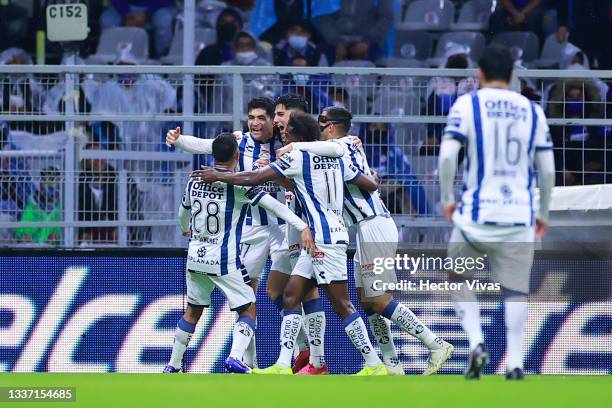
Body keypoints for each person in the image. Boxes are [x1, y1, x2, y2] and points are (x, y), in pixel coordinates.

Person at [194, 113, 389, 376]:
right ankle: (284, 364)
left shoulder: (297, 157)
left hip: (324, 240)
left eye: (288, 132)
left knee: (341, 303)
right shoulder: (334, 155)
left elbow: (253, 179)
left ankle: (374, 363)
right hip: (328, 234)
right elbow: (366, 183)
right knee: (291, 295)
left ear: (298, 135)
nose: (283, 134)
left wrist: (219, 176)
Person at [277, 106, 454, 376]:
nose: (318, 125)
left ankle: (436, 344)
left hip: (374, 225)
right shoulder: (338, 148)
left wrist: (295, 148)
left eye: (322, 122)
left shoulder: (342, 145)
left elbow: (369, 181)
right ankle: (392, 366)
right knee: (368, 302)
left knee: (379, 300)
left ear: (333, 127)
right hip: (362, 228)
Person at [438, 44, 555, 380]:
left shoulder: (467, 104)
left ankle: (476, 341)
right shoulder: (532, 111)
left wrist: (448, 198)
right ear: (513, 74)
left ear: (480, 74)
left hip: (476, 213)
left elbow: (447, 157)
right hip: (519, 213)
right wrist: (543, 212)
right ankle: (515, 361)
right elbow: (547, 169)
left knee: (458, 276)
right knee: (516, 287)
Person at [164, 132, 313, 374]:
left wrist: (185, 229)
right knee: (248, 307)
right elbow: (274, 205)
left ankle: (173, 364)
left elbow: (183, 213)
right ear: (237, 155)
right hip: (223, 260)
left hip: (195, 257)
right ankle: (235, 356)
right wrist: (302, 225)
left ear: (213, 155)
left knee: (192, 311)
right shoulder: (237, 186)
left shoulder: (195, 180)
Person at [166, 97, 284, 369]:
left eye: (261, 118)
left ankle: (296, 358)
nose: (255, 122)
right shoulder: (239, 142)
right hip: (249, 229)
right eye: (251, 117)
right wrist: (180, 140)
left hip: (281, 230)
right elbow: (206, 145)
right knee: (247, 295)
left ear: (271, 120)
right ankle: (248, 362)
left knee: (287, 292)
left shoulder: (285, 142)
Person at [313, 0, 393, 63]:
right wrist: (336, 41)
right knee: (321, 53)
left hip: (369, 41)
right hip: (337, 40)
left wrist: (367, 41)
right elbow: (321, 18)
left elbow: (387, 18)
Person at [99, 0, 176, 58]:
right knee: (107, 21)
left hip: (158, 6)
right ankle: (109, 59)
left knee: (163, 23)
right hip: (124, 5)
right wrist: (126, 13)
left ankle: (163, 60)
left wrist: (147, 13)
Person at [15, 166, 62, 245]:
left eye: (53, 179)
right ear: (40, 183)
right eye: (45, 180)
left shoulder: (60, 206)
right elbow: (25, 233)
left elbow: (58, 233)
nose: (49, 183)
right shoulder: (32, 204)